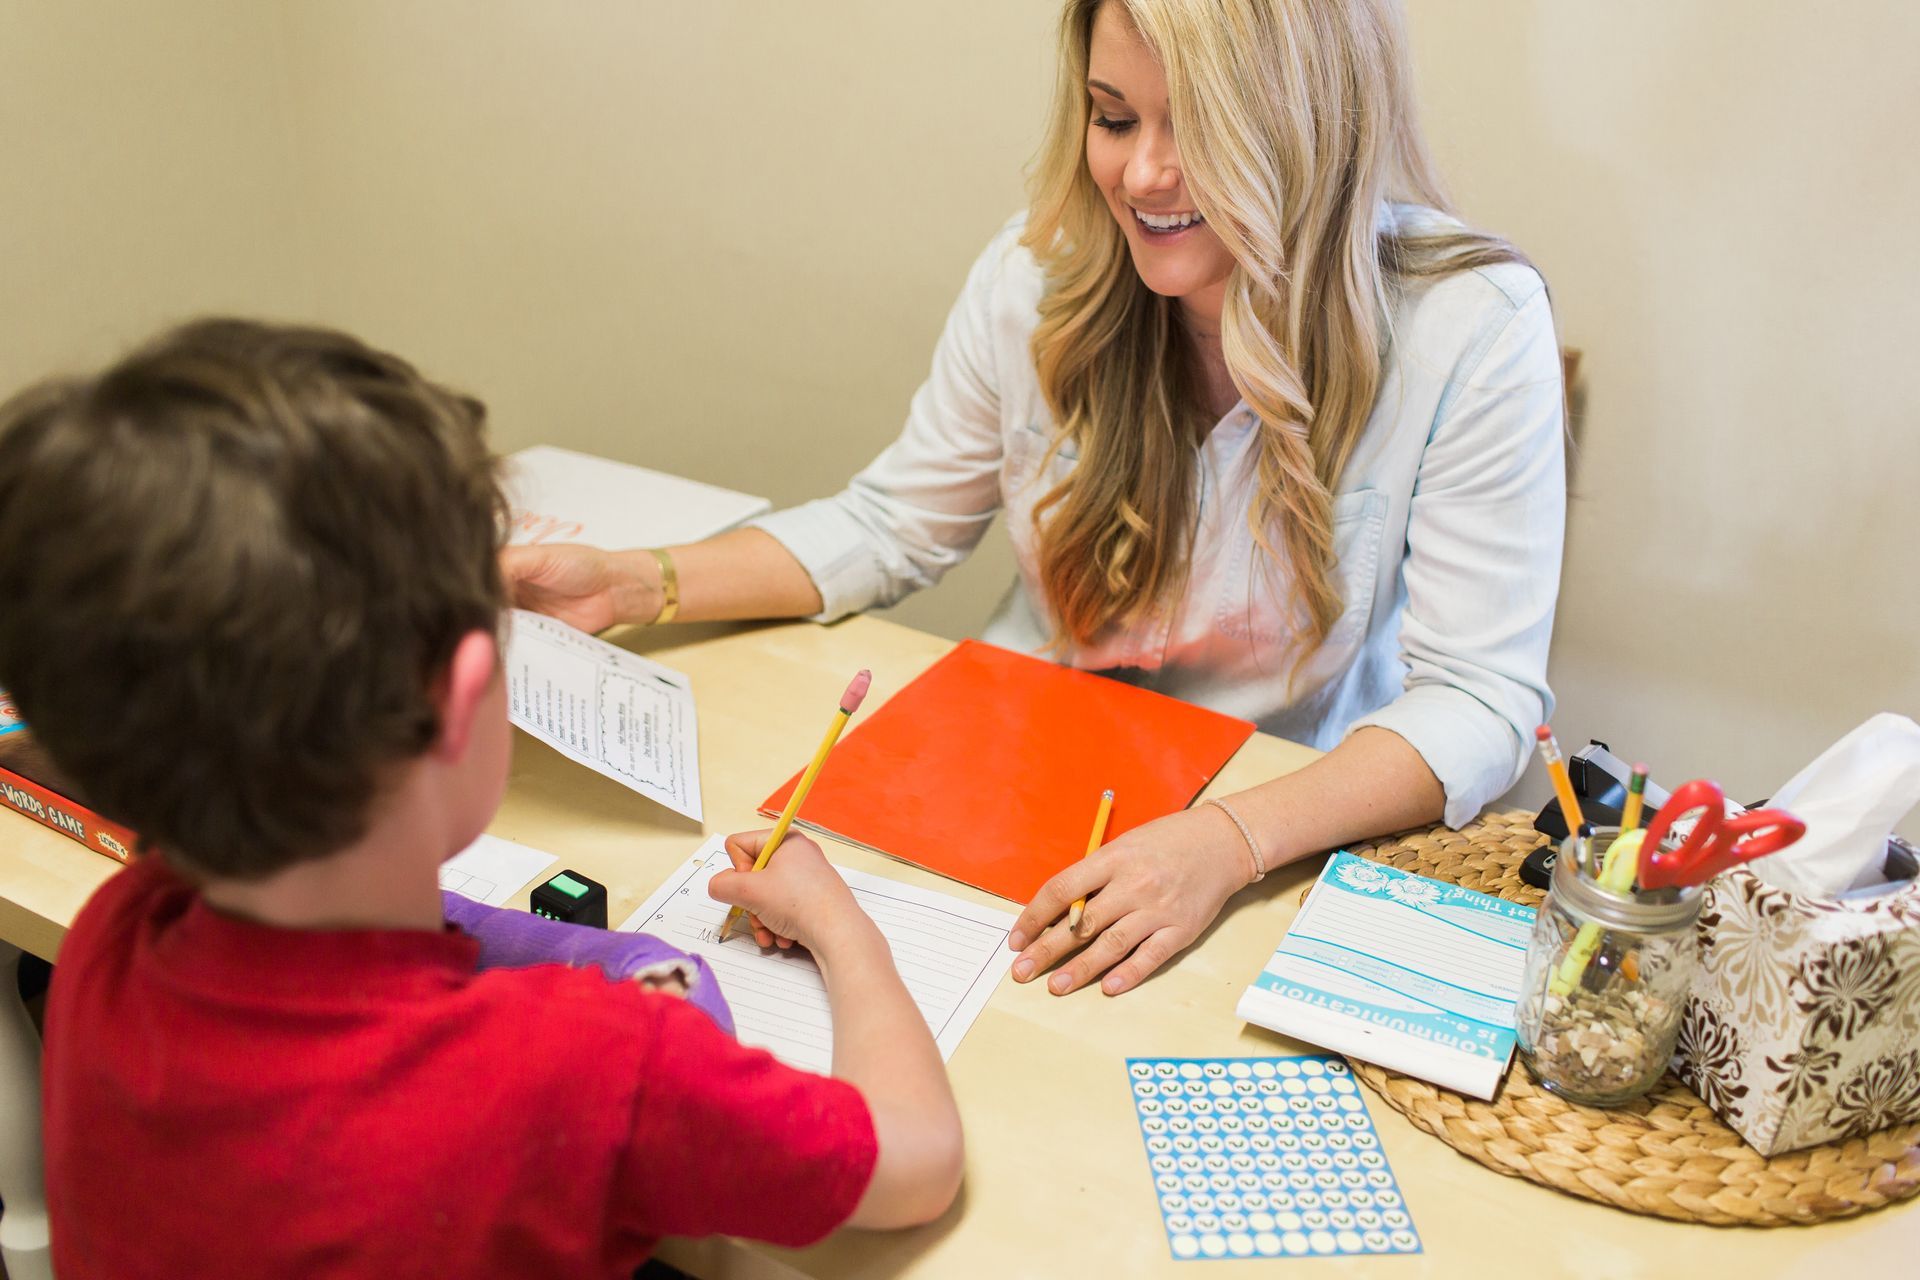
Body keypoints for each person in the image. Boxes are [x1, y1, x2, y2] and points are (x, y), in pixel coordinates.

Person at [504, 0, 1565, 1001]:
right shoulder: (1038, 279)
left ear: (1311, 126)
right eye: (1112, 117)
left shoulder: (1466, 326)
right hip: (1019, 786)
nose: (1143, 172)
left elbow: (1478, 697)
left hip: (1278, 832)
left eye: (1198, 125)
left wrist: (1229, 840)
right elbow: (891, 523)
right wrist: (632, 581)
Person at [0, 320, 962, 1279]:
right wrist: (842, 928)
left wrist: (612, 962)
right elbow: (912, 1164)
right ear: (460, 701)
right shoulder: (590, 1073)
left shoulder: (114, 933)